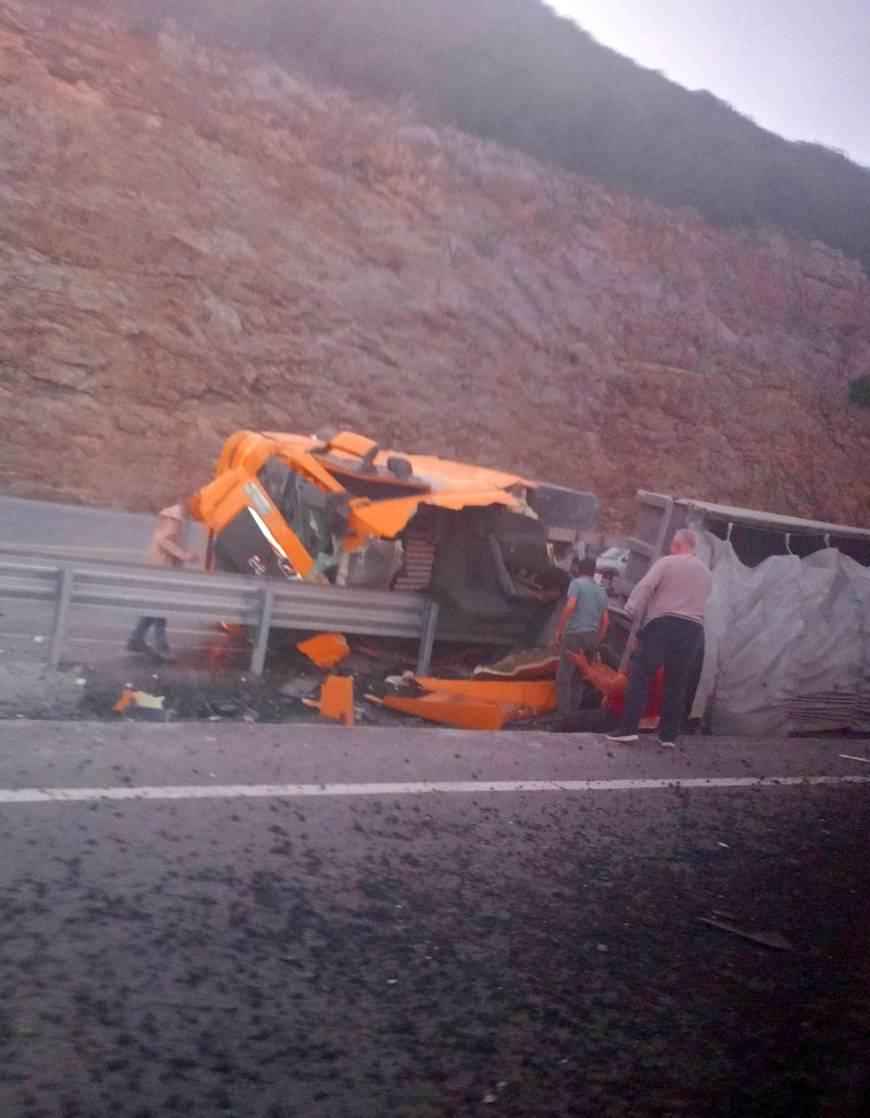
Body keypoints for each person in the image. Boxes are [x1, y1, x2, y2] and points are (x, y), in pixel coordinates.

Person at [606, 528, 712, 747]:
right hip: (693, 630)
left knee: (641, 676)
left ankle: (628, 729)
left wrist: (632, 608)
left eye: (673, 545)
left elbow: (646, 585)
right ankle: (668, 736)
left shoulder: (667, 562)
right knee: (677, 683)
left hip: (663, 624)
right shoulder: (705, 572)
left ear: (677, 545)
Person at [127, 504, 198, 661]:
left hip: (164, 565)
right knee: (160, 605)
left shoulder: (182, 516)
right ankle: (161, 646)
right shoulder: (175, 516)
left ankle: (137, 639)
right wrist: (183, 555)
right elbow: (163, 540)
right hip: (161, 565)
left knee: (157, 605)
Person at [554, 556, 609, 718]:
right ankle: (574, 716)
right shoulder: (601, 591)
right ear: (593, 572)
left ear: (578, 570)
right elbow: (605, 621)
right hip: (592, 637)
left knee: (564, 676)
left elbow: (570, 606)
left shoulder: (576, 584)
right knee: (579, 676)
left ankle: (564, 717)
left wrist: (559, 629)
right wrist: (596, 640)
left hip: (574, 635)